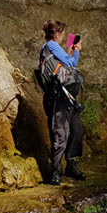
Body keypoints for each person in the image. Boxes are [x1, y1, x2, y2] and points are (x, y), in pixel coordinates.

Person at [40, 20, 87, 185]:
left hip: (68, 97)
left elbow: (66, 64)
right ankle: (56, 171)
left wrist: (69, 51)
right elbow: (72, 63)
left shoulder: (55, 48)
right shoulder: (51, 45)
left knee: (76, 131)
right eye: (63, 35)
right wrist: (77, 51)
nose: (64, 37)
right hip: (58, 99)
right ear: (58, 34)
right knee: (61, 135)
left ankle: (71, 165)